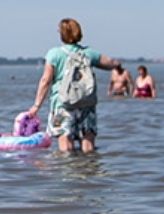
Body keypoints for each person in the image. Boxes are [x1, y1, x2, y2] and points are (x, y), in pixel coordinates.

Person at [28, 18, 126, 153]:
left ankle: (69, 172)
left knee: (65, 143)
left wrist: (36, 105)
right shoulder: (89, 53)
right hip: (86, 102)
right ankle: (88, 171)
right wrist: (116, 64)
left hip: (63, 104)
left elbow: (46, 80)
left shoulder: (54, 54)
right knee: (88, 142)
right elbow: (109, 64)